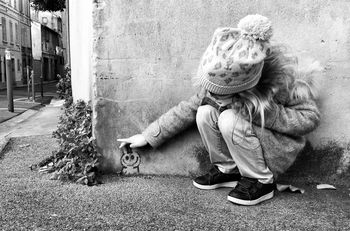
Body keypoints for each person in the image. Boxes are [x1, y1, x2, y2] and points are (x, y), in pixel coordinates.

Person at [118, 14, 320, 206]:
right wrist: (148, 136)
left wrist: (265, 113)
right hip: (248, 142)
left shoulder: (283, 82)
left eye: (220, 94)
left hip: (274, 148)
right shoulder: (223, 77)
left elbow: (309, 119)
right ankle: (228, 170)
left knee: (229, 118)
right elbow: (186, 109)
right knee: (204, 111)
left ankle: (261, 181)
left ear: (245, 88)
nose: (213, 95)